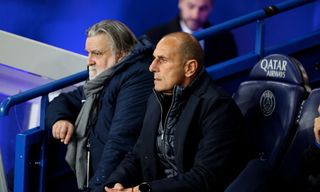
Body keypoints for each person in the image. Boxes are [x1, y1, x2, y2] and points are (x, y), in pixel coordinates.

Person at [104, 32, 248, 192]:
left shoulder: (218, 106)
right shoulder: (156, 98)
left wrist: (141, 190)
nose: (152, 67)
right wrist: (116, 183)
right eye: (154, 58)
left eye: (163, 60)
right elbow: (138, 154)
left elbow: (205, 177)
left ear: (189, 68)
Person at [45, 19, 154, 191]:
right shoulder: (102, 80)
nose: (89, 61)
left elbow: (121, 141)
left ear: (121, 54)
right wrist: (60, 120)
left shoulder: (138, 78)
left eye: (96, 53)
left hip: (118, 183)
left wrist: (98, 186)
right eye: (88, 53)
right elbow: (62, 101)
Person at [145, 0, 237, 67]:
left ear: (211, 8)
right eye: (191, 6)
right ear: (180, 3)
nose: (195, 15)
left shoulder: (224, 39)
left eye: (203, 8)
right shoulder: (154, 37)